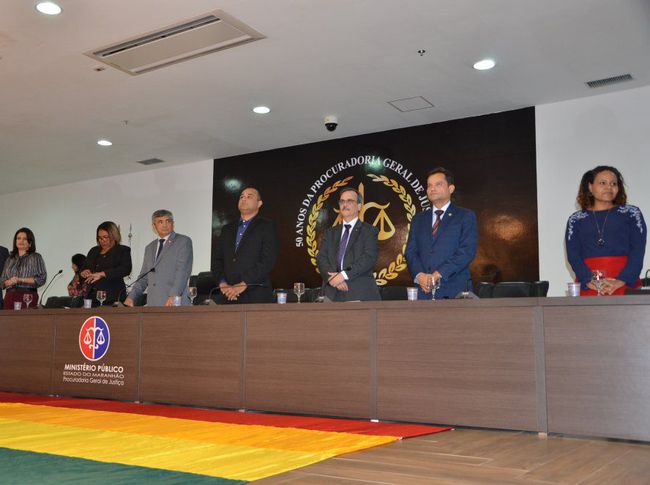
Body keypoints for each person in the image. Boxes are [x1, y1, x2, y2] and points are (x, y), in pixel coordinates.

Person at [565, 165, 646, 296]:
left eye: (613, 183)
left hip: (624, 283)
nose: (609, 187)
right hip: (590, 285)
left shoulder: (632, 213)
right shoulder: (576, 219)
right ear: (590, 187)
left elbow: (638, 250)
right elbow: (573, 256)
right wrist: (589, 280)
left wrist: (621, 280)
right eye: (603, 183)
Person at [405, 167, 478, 299]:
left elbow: (467, 251)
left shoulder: (465, 216)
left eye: (438, 184)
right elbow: (410, 252)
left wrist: (438, 274)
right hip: (423, 291)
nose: (432, 188)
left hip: (455, 291)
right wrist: (419, 275)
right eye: (429, 185)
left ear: (451, 189)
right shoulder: (418, 219)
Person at [213, 187, 278, 303]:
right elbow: (217, 260)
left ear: (259, 203)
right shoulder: (227, 229)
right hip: (227, 295)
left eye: (249, 196)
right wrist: (223, 284)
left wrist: (244, 283)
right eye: (241, 197)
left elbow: (267, 260)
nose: (244, 199)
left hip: (255, 295)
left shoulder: (267, 226)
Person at [316, 187, 381, 301]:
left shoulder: (369, 231)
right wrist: (333, 278)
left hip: (359, 293)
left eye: (349, 201)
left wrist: (343, 275)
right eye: (342, 201)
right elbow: (321, 258)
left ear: (359, 206)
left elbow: (368, 258)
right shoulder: (330, 232)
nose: (345, 204)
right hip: (331, 294)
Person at [125, 210, 193, 307]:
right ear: (154, 226)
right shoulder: (149, 248)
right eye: (160, 222)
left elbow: (182, 272)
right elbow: (144, 277)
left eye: (168, 221)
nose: (165, 225)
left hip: (175, 303)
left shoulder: (183, 241)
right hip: (153, 304)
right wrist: (132, 297)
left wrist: (174, 295)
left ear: (173, 224)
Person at [80, 222, 132, 305]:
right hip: (92, 297)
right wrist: (84, 272)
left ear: (114, 236)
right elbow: (84, 268)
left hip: (113, 297)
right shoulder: (93, 251)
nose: (102, 240)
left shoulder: (122, 250)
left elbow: (125, 269)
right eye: (99, 238)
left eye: (105, 237)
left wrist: (102, 274)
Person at [1, 228, 47, 309]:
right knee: (8, 317)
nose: (21, 241)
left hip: (27, 296)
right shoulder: (10, 259)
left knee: (24, 317)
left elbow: (41, 278)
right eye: (18, 238)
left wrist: (20, 280)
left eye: (24, 239)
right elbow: (2, 280)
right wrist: (7, 282)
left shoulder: (35, 257)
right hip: (9, 296)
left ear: (30, 242)